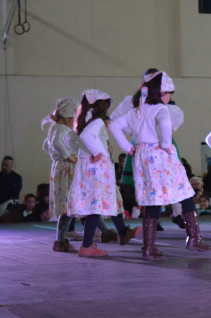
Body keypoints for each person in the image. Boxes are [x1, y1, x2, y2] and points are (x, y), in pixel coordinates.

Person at [110, 71, 209, 260]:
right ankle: (194, 238)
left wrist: (127, 147)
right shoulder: (159, 109)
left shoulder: (135, 111)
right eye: (170, 93)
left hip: (142, 156)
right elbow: (165, 126)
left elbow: (114, 125)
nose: (170, 97)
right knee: (186, 194)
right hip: (161, 156)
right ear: (162, 92)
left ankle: (149, 247)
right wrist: (165, 144)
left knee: (152, 199)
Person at [68, 90, 141, 257]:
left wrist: (89, 152)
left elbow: (73, 140)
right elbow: (87, 137)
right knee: (95, 207)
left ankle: (88, 244)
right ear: (100, 105)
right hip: (97, 167)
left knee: (92, 207)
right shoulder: (97, 122)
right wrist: (99, 152)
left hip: (86, 165)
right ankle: (86, 247)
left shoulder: (84, 120)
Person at [41, 97, 81, 251]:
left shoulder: (55, 127)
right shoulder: (62, 128)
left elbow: (46, 145)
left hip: (60, 168)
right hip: (67, 169)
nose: (74, 122)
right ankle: (62, 240)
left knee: (69, 203)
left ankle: (62, 239)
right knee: (71, 202)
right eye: (73, 118)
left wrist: (55, 156)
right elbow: (56, 142)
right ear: (69, 117)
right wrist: (67, 156)